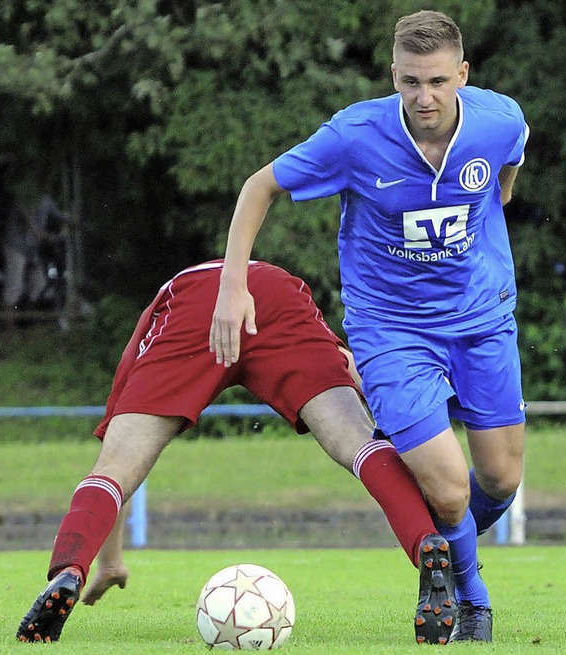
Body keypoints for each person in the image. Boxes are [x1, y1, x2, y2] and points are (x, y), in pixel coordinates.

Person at [210, 10, 529, 643]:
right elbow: (259, 186)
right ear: (393, 76)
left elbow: (506, 175)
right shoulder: (354, 136)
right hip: (391, 332)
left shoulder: (499, 121)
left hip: (480, 317)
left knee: (499, 479)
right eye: (410, 82)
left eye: (437, 81)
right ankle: (471, 598)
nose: (424, 97)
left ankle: (439, 540)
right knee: (444, 481)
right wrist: (232, 284)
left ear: (462, 75)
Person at [16, 260, 456, 645]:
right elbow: (351, 365)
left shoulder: (163, 304)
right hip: (278, 296)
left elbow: (115, 459)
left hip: (193, 307)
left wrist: (104, 561)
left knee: (116, 467)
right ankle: (425, 543)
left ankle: (67, 569)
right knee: (357, 442)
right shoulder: (277, 279)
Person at [3, 193, 68, 311]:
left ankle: (30, 319)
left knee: (39, 286)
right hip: (17, 247)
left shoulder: (46, 199)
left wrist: (68, 225)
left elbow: (60, 216)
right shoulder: (23, 197)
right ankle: (9, 325)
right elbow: (30, 224)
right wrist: (44, 235)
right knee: (14, 286)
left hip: (33, 250)